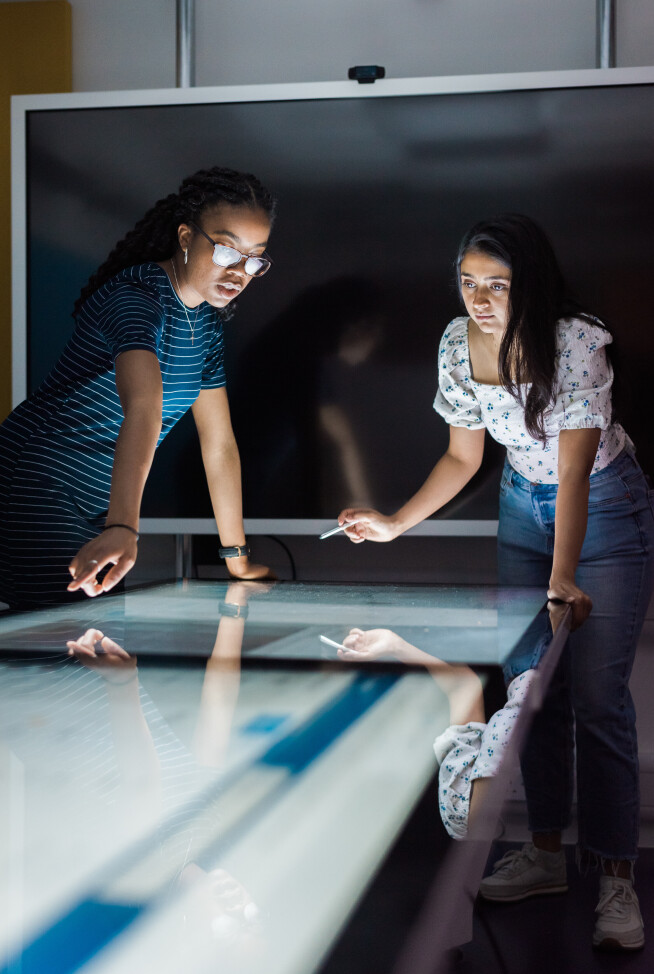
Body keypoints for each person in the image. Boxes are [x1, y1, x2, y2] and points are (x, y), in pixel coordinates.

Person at [337, 214, 654, 951]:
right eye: (468, 283)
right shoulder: (458, 342)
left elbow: (574, 469)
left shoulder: (577, 340)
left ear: (529, 284)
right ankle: (543, 854)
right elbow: (462, 457)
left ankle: (615, 879)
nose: (479, 300)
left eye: (498, 285)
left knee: (599, 700)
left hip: (602, 503)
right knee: (530, 691)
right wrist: (394, 523)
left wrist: (563, 574)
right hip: (519, 504)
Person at [0, 167, 276, 608]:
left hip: (101, 502)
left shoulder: (206, 324)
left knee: (96, 639)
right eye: (227, 251)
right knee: (75, 637)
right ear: (185, 237)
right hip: (38, 483)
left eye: (255, 258)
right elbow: (144, 406)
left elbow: (219, 444)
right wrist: (123, 527)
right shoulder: (135, 298)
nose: (240, 271)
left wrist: (237, 559)